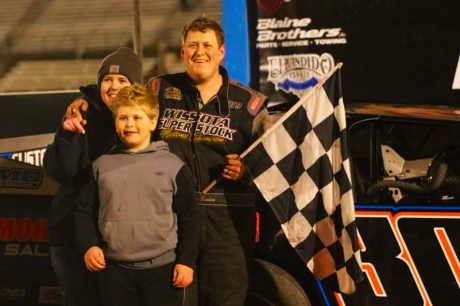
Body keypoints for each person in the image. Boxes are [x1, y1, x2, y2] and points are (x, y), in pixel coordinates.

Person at [64, 17, 272, 306]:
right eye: (193, 45)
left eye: (207, 45)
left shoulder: (250, 105)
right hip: (168, 221)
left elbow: (273, 165)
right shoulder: (159, 89)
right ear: (183, 51)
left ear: (221, 52)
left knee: (225, 300)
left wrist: (245, 172)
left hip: (226, 225)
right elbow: (120, 102)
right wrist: (81, 101)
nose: (200, 52)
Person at [74, 84, 199, 306]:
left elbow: (191, 217)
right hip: (113, 272)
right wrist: (89, 246)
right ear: (115, 123)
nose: (129, 124)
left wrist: (187, 261)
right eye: (123, 118)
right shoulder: (101, 165)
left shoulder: (173, 166)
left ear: (153, 122)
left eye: (137, 117)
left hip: (163, 271)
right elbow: (84, 212)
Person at [43, 47, 142, 306]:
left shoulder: (142, 120)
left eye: (122, 80)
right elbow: (60, 172)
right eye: (107, 80)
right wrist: (66, 135)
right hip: (71, 236)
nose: (113, 86)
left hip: (120, 241)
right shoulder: (80, 115)